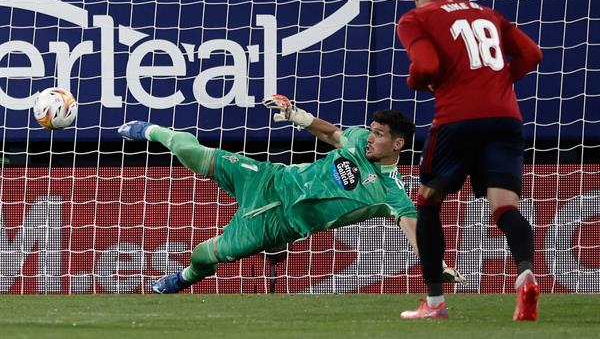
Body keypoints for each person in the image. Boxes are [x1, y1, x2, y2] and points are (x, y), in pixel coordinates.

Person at [118, 94, 465, 293]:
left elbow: (414, 226)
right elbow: (332, 133)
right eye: (371, 131)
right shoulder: (359, 140)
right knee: (193, 153)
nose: (370, 137)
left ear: (398, 144)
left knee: (202, 256)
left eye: (379, 134)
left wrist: (436, 263)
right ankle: (150, 129)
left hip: (277, 224)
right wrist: (294, 114)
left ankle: (182, 279)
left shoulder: (392, 192)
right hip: (270, 180)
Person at [396, 0, 543, 320]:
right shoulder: (489, 14)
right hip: (506, 118)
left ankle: (434, 304)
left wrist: (416, 81)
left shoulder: (415, 18)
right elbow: (532, 53)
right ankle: (525, 274)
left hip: (458, 119)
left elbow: (427, 67)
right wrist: (502, 82)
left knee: (428, 202)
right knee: (506, 207)